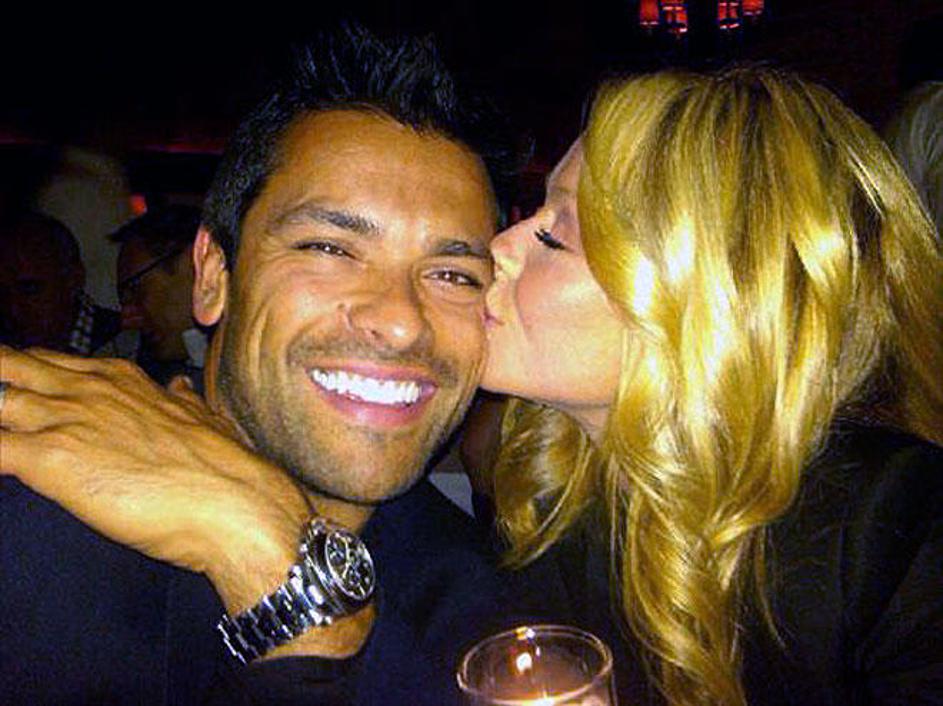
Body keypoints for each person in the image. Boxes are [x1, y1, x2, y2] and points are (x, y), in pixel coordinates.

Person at [0, 25, 528, 705]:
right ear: (213, 275)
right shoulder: (30, 523)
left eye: (453, 274)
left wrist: (280, 566)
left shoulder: (483, 611)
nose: (400, 320)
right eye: (329, 248)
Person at [482, 67, 943, 705]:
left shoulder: (895, 528)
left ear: (707, 299)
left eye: (553, 236)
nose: (497, 248)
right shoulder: (548, 495)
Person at [111, 205, 208, 384]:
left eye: (136, 290)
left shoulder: (253, 352)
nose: (128, 318)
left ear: (194, 263)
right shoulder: (143, 372)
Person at [0, 212, 121, 354]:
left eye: (30, 290)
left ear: (73, 278)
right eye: (2, 294)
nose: (13, 308)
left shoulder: (127, 344)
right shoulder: (7, 342)